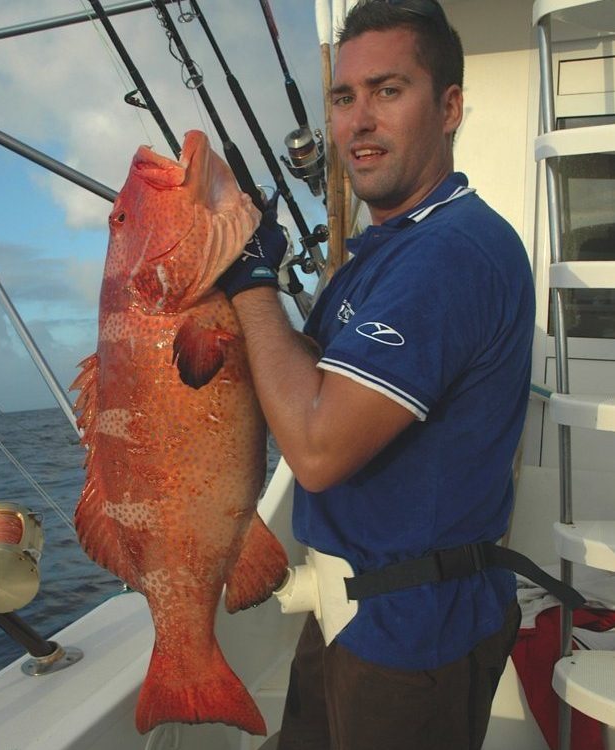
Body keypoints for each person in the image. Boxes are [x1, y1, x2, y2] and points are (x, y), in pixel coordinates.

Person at [217, 1, 535, 748]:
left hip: (412, 643)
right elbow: (305, 381)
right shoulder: (388, 250)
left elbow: (319, 450)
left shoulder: (450, 255)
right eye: (343, 97)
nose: (359, 120)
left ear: (449, 106)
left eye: (388, 91)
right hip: (354, 615)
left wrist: (252, 279)